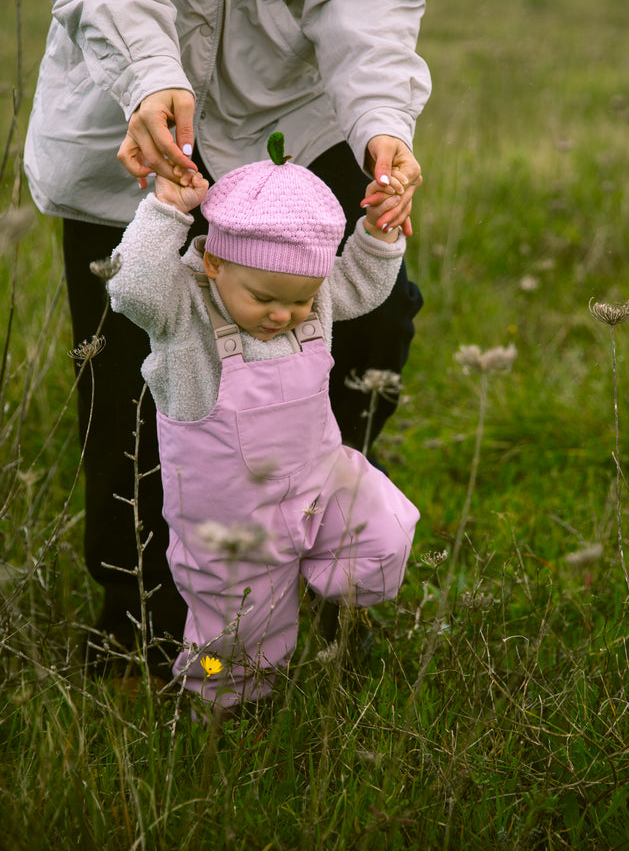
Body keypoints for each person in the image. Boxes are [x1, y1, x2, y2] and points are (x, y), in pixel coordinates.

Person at [25, 0, 432, 677]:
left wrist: (382, 120)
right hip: (130, 99)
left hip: (295, 102)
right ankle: (140, 622)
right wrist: (144, 70)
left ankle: (309, 554)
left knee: (371, 321)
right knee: (129, 363)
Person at [105, 135, 420, 712]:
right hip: (231, 522)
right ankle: (221, 715)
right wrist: (168, 210)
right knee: (237, 641)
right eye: (265, 298)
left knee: (384, 536)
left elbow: (357, 284)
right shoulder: (184, 313)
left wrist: (378, 233)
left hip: (317, 484)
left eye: (302, 300)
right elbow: (131, 287)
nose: (285, 315)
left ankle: (310, 582)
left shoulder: (313, 298)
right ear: (214, 261)